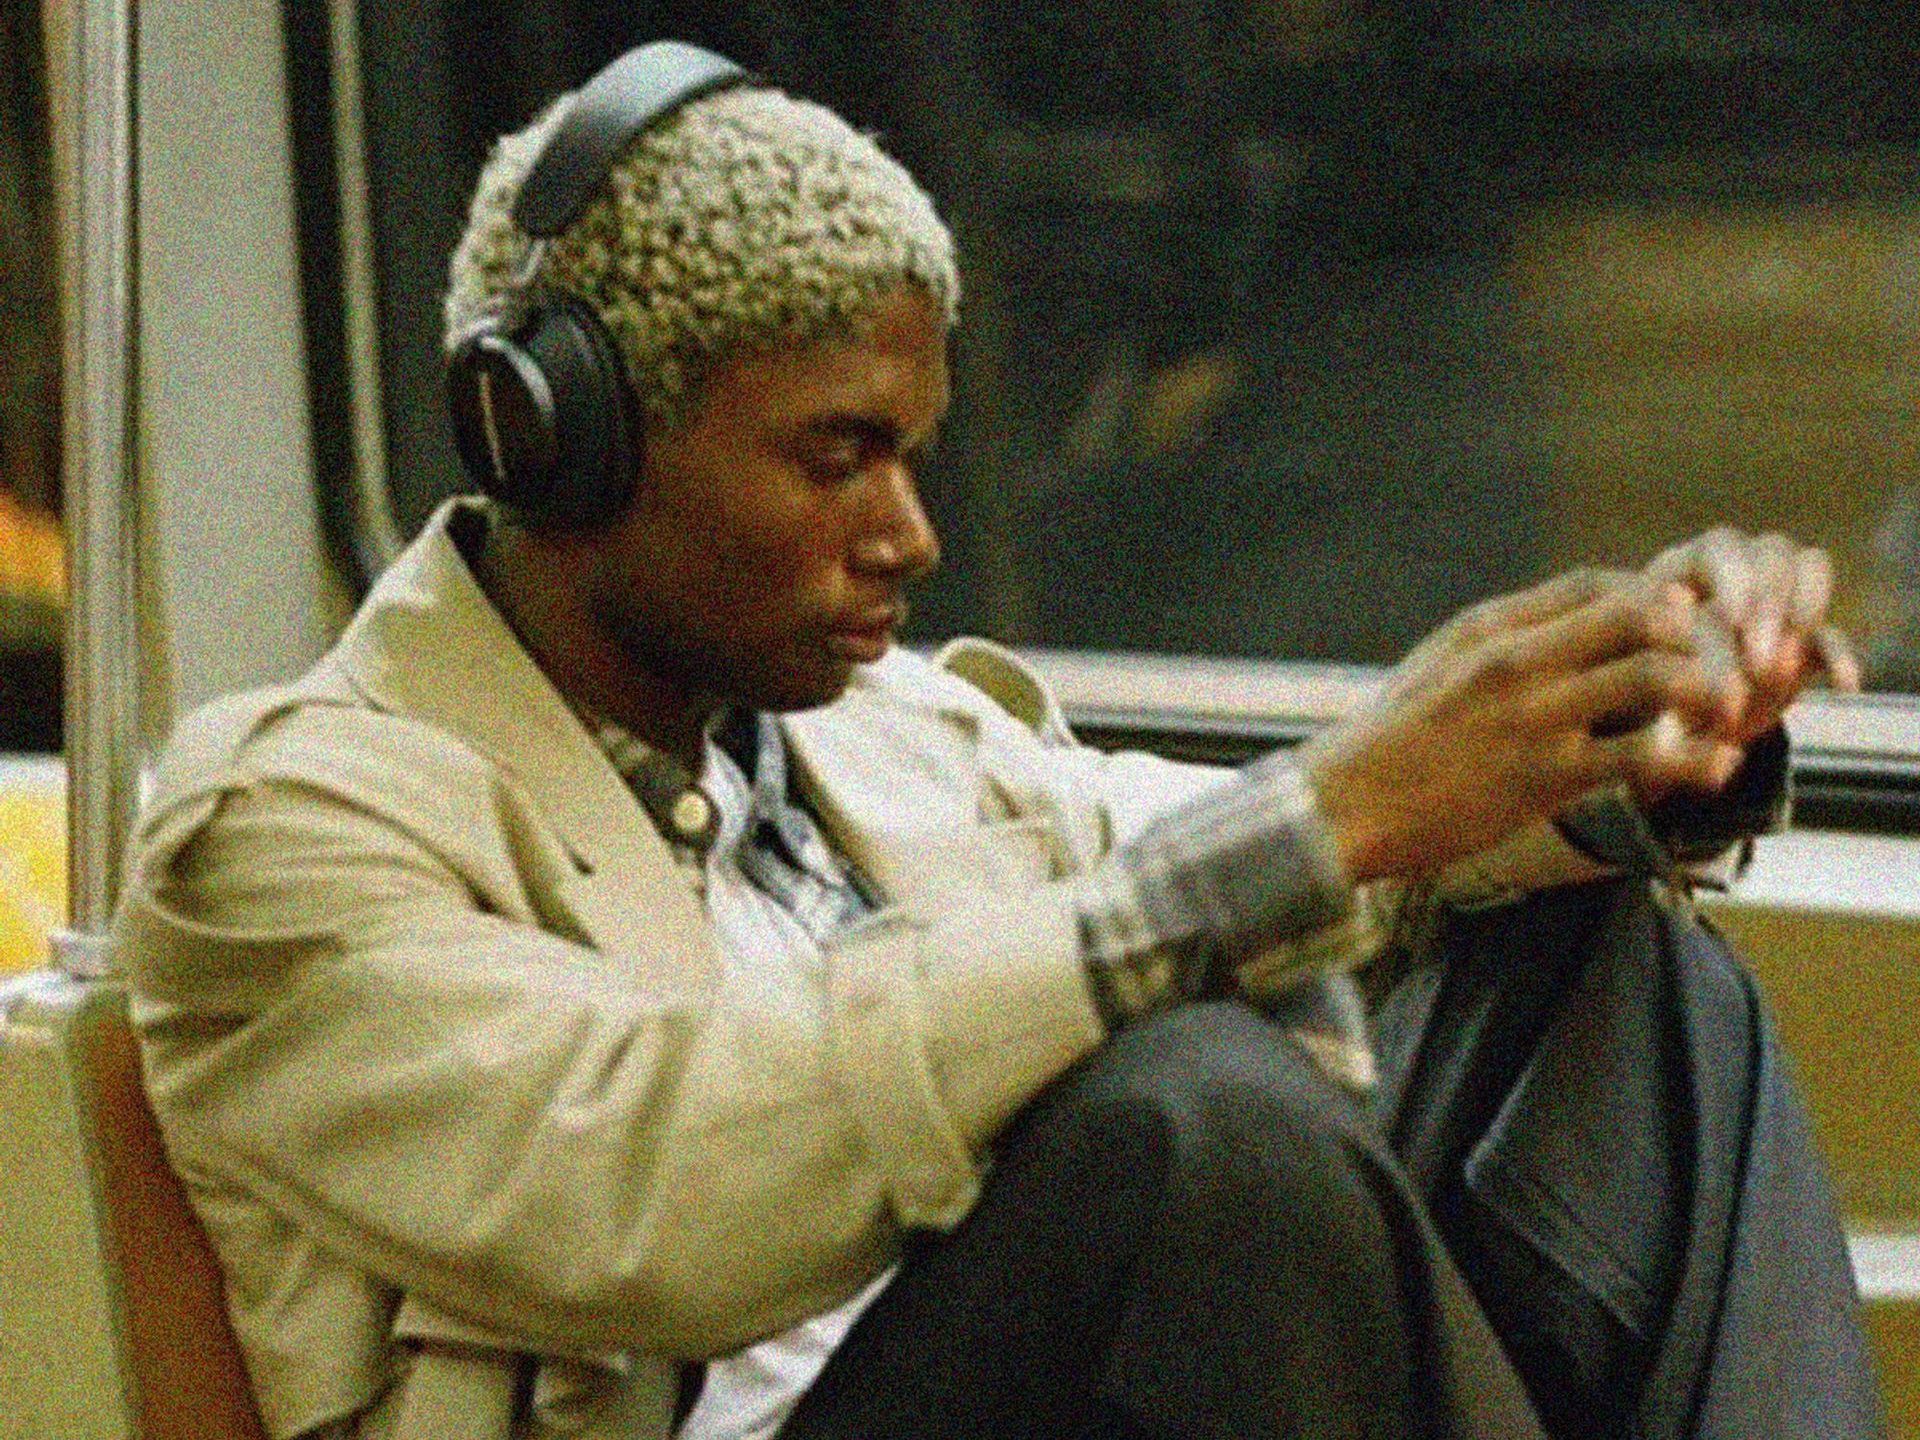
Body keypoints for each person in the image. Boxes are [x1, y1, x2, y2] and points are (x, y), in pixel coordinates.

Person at [109, 43, 1871, 1440]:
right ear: (557, 438)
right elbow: (638, 1173)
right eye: (835, 457)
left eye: (915, 456)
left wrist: (1627, 739)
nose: (909, 534)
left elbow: (1248, 849)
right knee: (1199, 1128)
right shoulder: (294, 824)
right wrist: (1327, 813)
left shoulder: (890, 745)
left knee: (1632, 984)